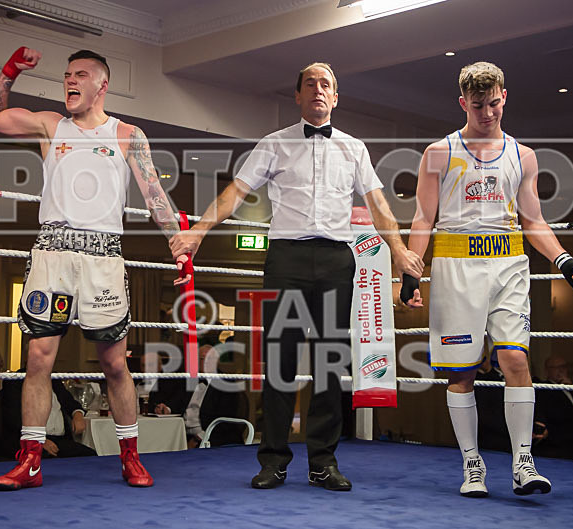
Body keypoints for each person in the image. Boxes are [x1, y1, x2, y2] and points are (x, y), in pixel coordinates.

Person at [170, 62, 423, 491]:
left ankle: (323, 460)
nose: (319, 90)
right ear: (298, 96)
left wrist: (398, 250)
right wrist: (198, 231)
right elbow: (236, 192)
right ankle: (273, 460)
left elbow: (379, 204)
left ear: (336, 97)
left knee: (329, 361)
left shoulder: (354, 148)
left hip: (336, 258)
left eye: (326, 84)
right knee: (281, 361)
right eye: (311, 84)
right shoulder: (274, 143)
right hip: (286, 256)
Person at [0, 47, 188, 490]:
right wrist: (9, 70)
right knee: (38, 358)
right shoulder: (50, 125)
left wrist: (179, 247)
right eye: (67, 74)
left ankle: (130, 456)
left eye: (81, 75)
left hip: (103, 258)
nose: (70, 81)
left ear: (102, 84)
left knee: (114, 363)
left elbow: (154, 196)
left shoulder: (127, 133)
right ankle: (30, 460)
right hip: (52, 253)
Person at [402, 61, 573, 497]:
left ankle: (523, 463)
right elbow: (423, 216)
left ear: (504, 97)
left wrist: (565, 261)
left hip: (509, 264)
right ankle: (473, 466)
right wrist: (412, 272)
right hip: (456, 267)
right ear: (462, 104)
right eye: (478, 106)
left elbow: (534, 220)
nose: (488, 113)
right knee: (461, 374)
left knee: (516, 361)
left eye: (494, 103)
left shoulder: (522, 155)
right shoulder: (439, 152)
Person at [533, 355, 573, 459]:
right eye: (556, 367)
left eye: (563, 367)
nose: (560, 370)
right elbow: (557, 414)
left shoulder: (571, 387)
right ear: (547, 371)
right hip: (557, 445)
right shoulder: (544, 389)